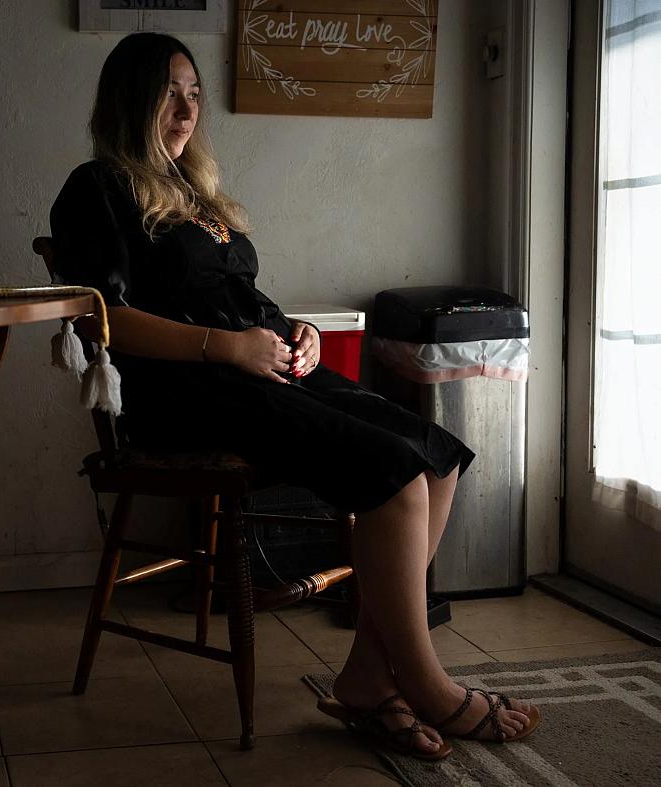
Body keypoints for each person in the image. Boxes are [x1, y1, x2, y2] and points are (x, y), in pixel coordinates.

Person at [49, 32, 540, 759]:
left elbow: (243, 300)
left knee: (438, 456)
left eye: (193, 93)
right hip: (185, 392)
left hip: (257, 370)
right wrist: (228, 346)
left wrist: (296, 330)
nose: (186, 108)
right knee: (393, 476)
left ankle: (370, 675)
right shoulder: (97, 188)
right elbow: (103, 318)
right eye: (168, 92)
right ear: (131, 99)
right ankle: (426, 681)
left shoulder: (193, 194)